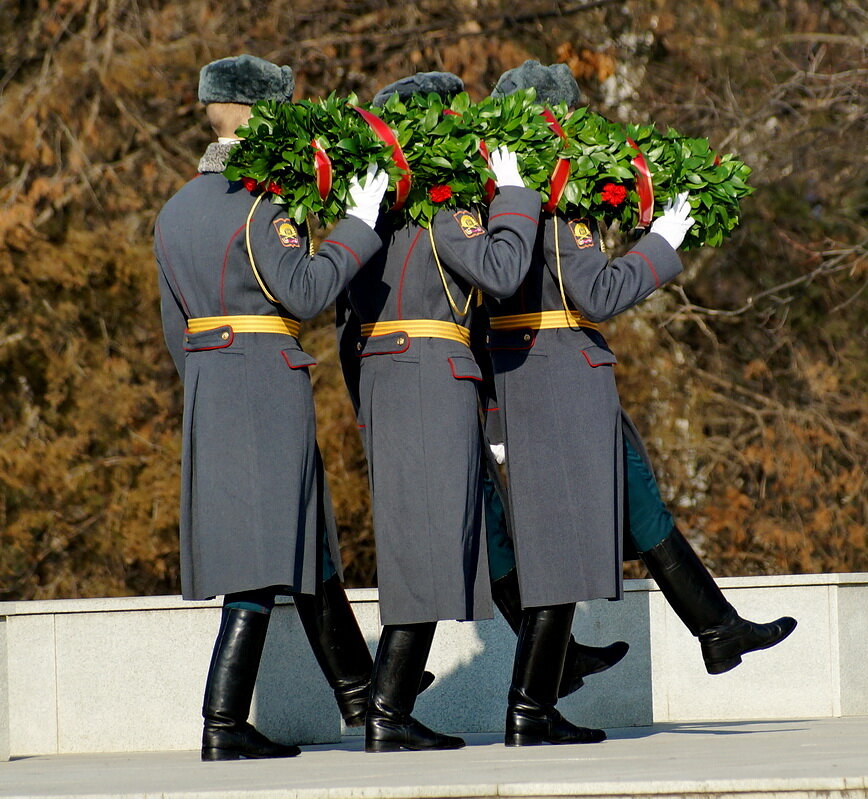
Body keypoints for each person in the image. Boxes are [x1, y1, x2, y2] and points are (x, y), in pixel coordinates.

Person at [485, 61, 797, 692]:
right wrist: (664, 243)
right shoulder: (551, 204)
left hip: (549, 376)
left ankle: (716, 628)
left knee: (639, 500)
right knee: (572, 530)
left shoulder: (497, 198)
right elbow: (596, 294)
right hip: (562, 379)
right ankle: (535, 697)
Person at [155, 54, 389, 761]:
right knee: (259, 558)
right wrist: (360, 222)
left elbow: (174, 328)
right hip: (264, 381)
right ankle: (222, 722)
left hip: (212, 382)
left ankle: (362, 691)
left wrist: (209, 387)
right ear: (261, 115)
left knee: (304, 538)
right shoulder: (263, 202)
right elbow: (309, 289)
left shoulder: (174, 210)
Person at [338, 72, 543, 752]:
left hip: (389, 382)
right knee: (430, 548)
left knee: (419, 546)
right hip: (434, 378)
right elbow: (503, 269)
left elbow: (346, 330)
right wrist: (514, 194)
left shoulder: (371, 214)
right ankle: (387, 713)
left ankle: (388, 708)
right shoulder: (441, 208)